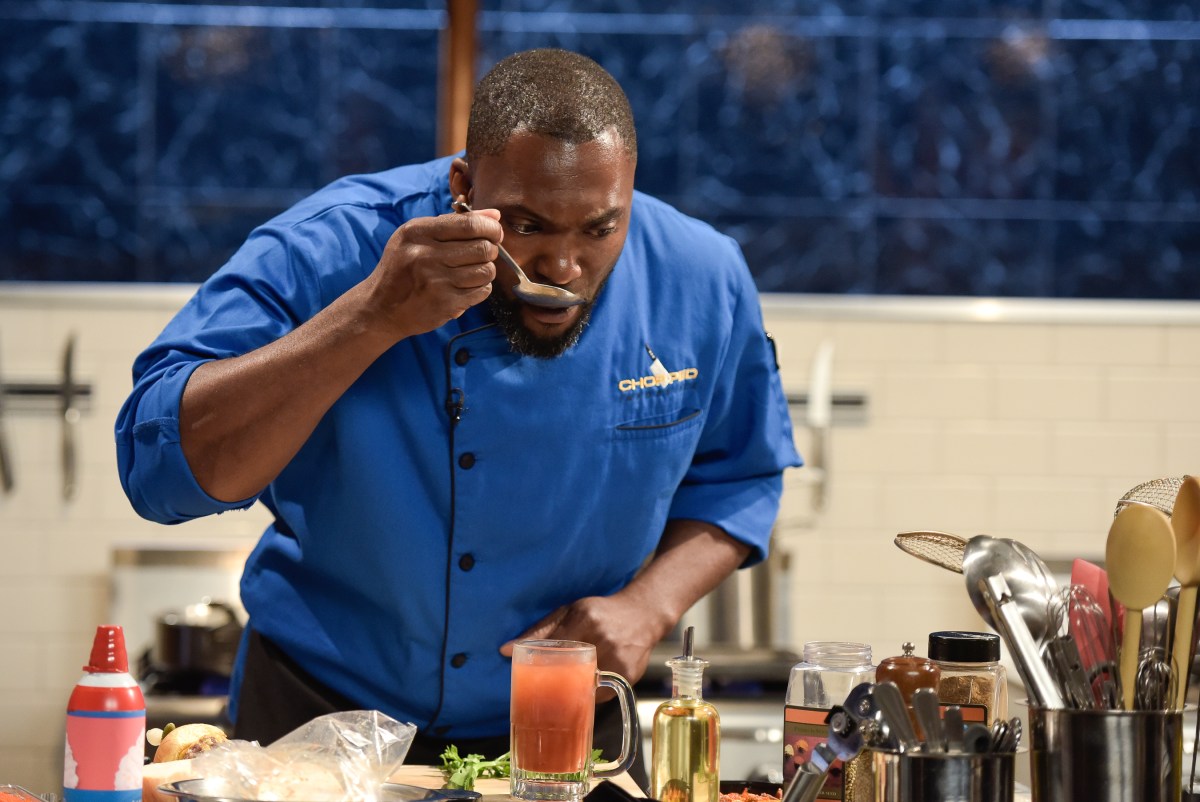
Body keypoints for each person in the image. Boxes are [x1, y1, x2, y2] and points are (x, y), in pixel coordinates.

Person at [115, 48, 800, 785]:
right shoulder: (330, 248)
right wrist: (369, 319)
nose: (563, 267)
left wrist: (647, 606)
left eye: (600, 229)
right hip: (315, 724)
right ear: (464, 187)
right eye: (530, 225)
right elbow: (161, 473)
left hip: (565, 729)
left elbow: (743, 478)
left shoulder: (702, 277)